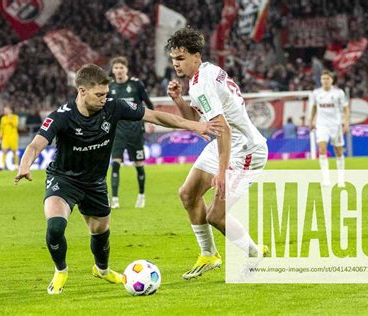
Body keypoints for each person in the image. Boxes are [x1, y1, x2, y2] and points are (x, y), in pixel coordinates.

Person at [13, 64, 219, 294]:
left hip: (95, 183)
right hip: (64, 180)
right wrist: (24, 165)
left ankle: (102, 270)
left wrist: (195, 125)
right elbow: (35, 144)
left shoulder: (113, 107)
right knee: (56, 226)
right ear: (82, 91)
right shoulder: (61, 117)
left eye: (106, 93)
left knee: (100, 234)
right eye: (99, 94)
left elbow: (154, 116)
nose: (104, 98)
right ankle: (61, 270)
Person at [166, 27, 269, 280]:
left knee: (215, 215)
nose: (175, 64)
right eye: (172, 59)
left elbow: (222, 128)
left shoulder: (202, 83)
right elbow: (202, 123)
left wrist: (221, 173)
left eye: (180, 58)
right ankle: (209, 254)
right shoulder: (206, 74)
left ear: (196, 56)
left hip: (246, 150)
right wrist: (179, 101)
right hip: (225, 142)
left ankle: (255, 253)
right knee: (188, 193)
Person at [108, 56, 154, 209]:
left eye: (121, 67)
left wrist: (150, 121)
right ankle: (114, 199)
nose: (119, 70)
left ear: (126, 69)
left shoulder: (136, 85)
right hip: (117, 131)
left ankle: (141, 196)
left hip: (135, 130)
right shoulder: (110, 87)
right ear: (113, 70)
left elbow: (149, 104)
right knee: (115, 164)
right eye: (116, 68)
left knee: (138, 164)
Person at [309, 70, 350, 187]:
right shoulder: (316, 93)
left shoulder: (339, 93)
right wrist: (311, 120)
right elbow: (313, 108)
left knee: (338, 151)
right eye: (323, 79)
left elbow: (346, 109)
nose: (325, 81)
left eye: (327, 78)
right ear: (321, 80)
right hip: (322, 125)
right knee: (322, 149)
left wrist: (346, 123)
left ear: (332, 80)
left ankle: (341, 179)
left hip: (336, 125)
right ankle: (326, 179)